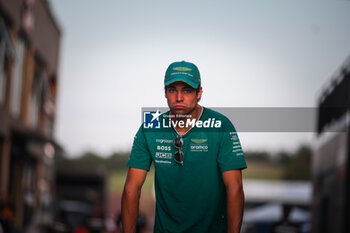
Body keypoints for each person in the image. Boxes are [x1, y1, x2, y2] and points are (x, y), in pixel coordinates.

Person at [122, 60, 247, 233]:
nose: (179, 98)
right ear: (165, 92)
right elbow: (131, 188)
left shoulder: (221, 125)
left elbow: (235, 187)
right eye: (172, 90)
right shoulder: (150, 126)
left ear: (199, 93)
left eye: (187, 90)